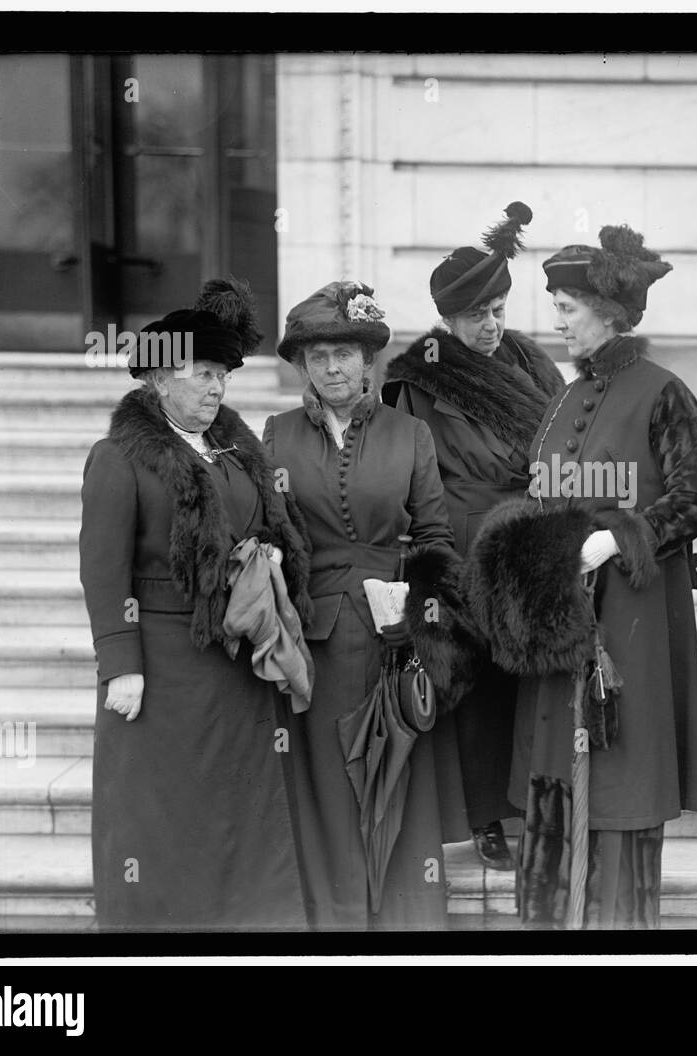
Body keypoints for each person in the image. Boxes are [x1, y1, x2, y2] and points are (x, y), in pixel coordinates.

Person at [467, 223, 697, 928]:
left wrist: (618, 538)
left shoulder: (664, 393)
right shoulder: (563, 399)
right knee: (554, 778)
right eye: (554, 304)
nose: (556, 319)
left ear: (610, 312)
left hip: (628, 626)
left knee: (619, 782)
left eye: (568, 307)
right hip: (559, 627)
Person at [79, 280, 311, 930]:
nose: (216, 388)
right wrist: (119, 663)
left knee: (235, 819)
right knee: (162, 819)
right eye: (201, 373)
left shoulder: (237, 454)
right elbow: (102, 569)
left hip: (234, 667)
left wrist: (263, 558)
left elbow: (267, 525)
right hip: (161, 669)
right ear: (158, 378)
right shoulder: (118, 459)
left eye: (222, 376)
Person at [263, 279, 479, 929]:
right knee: (328, 786)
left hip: (396, 644)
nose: (333, 368)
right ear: (302, 364)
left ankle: (409, 927)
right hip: (316, 644)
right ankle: (334, 925)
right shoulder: (274, 435)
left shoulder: (410, 435)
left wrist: (426, 620)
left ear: (369, 361)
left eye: (346, 354)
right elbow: (267, 534)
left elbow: (437, 538)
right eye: (319, 356)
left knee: (400, 784)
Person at [382, 201, 565, 870]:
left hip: (534, 536)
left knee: (531, 679)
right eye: (473, 316)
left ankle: (533, 803)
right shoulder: (419, 376)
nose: (489, 326)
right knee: (482, 682)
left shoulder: (534, 363)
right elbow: (402, 471)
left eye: (497, 311)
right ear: (446, 321)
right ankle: (485, 814)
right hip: (465, 543)